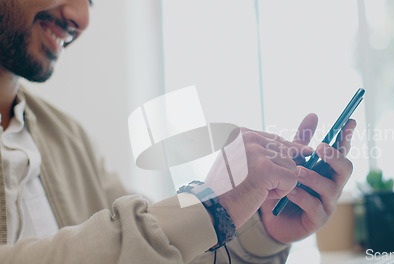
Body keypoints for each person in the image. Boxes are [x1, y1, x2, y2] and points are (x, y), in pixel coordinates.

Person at [0, 0, 356, 263]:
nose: (81, 17)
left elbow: (155, 251)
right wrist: (211, 202)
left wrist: (260, 227)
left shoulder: (68, 138)